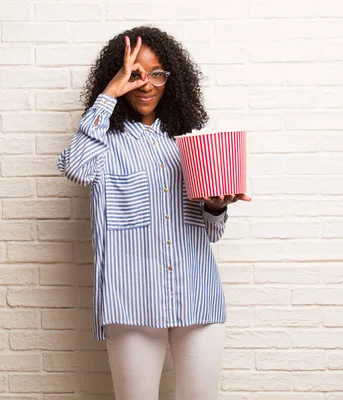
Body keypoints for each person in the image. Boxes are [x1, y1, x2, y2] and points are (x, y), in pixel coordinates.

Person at [57, 26, 251, 400]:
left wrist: (215, 205)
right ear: (118, 77)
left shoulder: (190, 141)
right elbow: (75, 168)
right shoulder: (103, 144)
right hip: (132, 300)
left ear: (171, 79)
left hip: (196, 293)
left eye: (156, 74)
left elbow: (210, 230)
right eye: (134, 75)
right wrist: (109, 94)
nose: (147, 85)